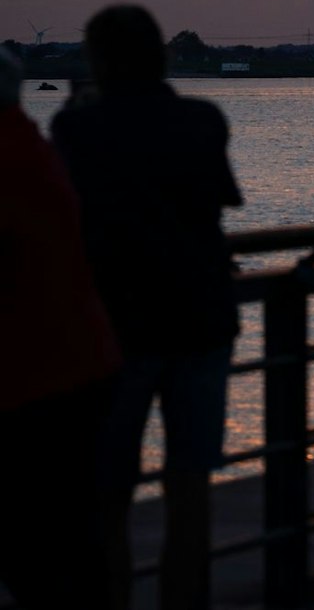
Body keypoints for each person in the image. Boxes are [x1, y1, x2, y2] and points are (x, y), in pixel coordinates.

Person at [51, 5, 244, 608]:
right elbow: (221, 200)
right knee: (190, 486)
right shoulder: (201, 119)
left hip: (119, 326)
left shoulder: (76, 129)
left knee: (107, 491)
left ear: (99, 61)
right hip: (202, 318)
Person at [0, 49, 120, 610]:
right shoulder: (37, 149)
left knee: (35, 537)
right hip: (80, 364)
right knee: (73, 521)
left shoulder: (23, 155)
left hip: (31, 375)